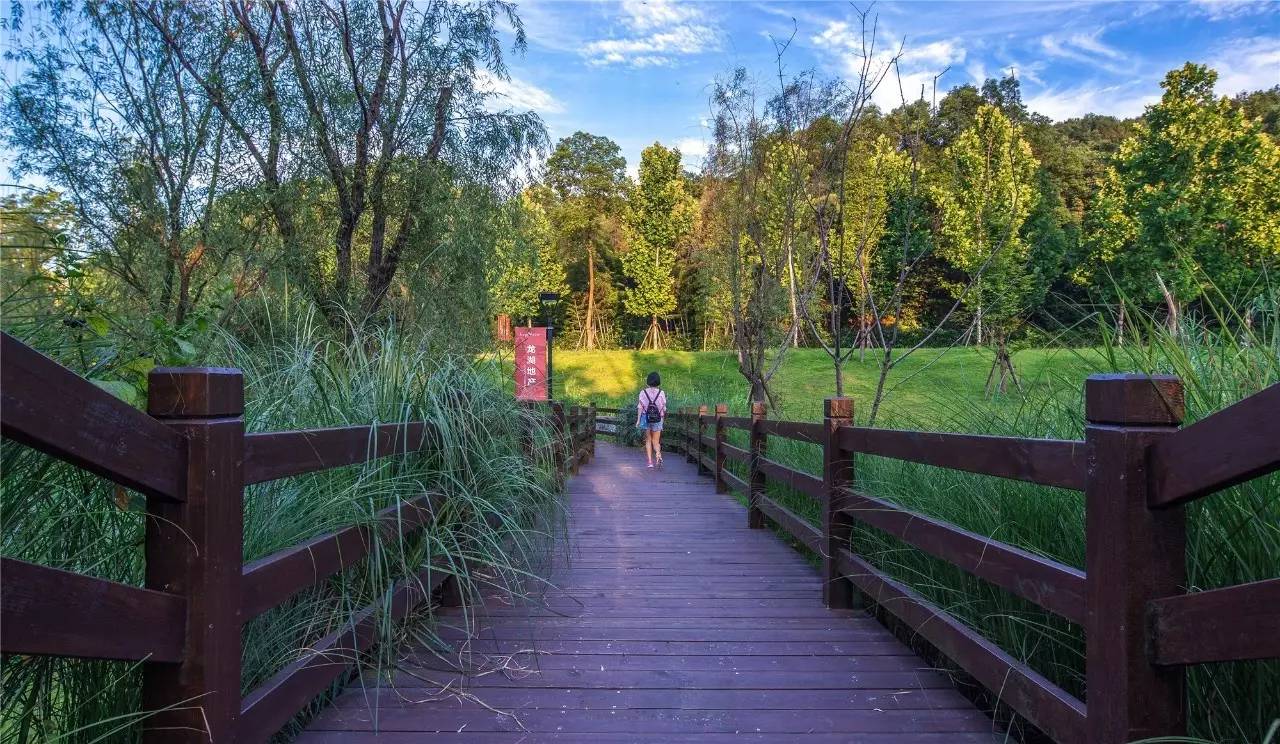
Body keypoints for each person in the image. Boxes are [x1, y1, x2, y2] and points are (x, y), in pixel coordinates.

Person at [635, 371, 667, 468]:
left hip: (646, 418)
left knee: (648, 440)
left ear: (648, 381)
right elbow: (664, 408)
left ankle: (650, 462)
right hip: (658, 419)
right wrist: (662, 419)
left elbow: (640, 407)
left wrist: (638, 420)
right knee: (656, 441)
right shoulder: (661, 393)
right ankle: (658, 453)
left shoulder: (643, 392)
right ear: (658, 381)